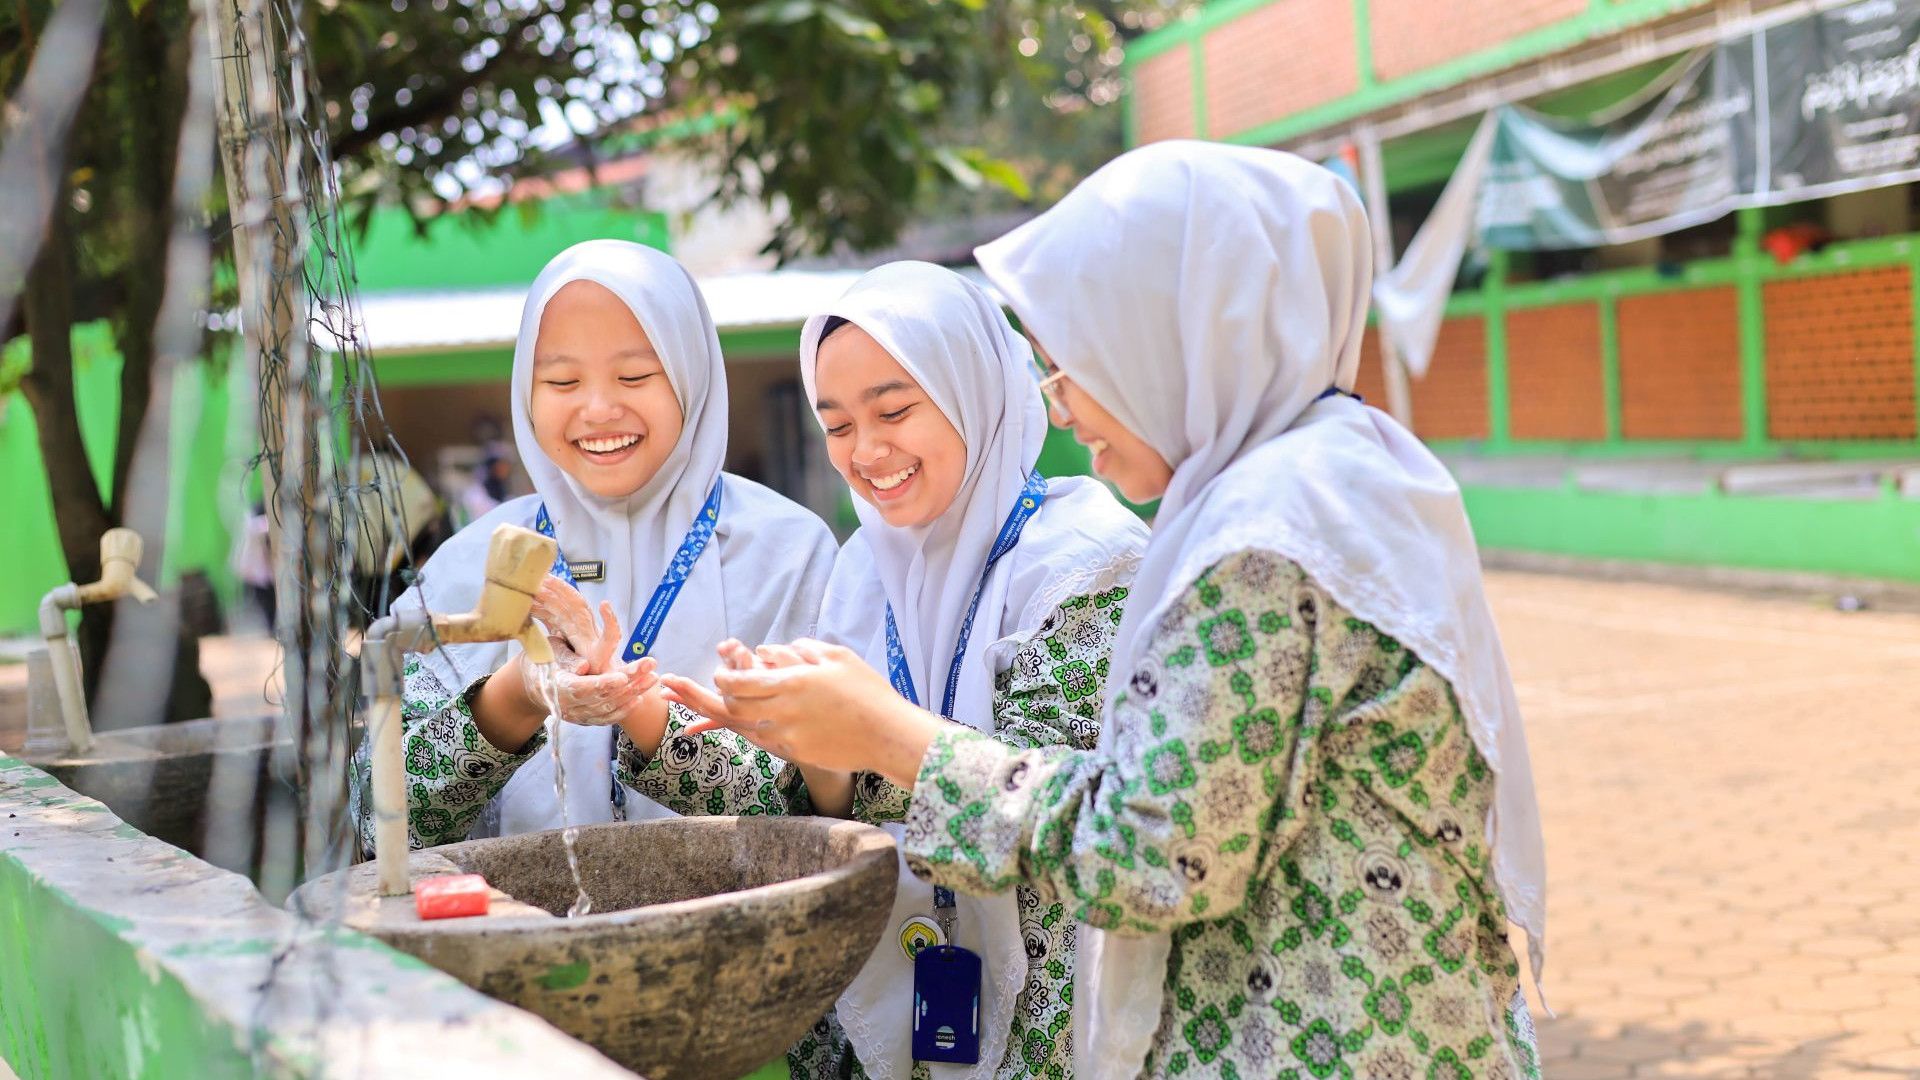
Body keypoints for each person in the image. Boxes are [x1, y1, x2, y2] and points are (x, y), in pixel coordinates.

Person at [685, 144, 1549, 1079]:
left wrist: (897, 739)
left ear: (1177, 339)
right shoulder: (1327, 479)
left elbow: (1153, 855)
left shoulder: (1260, 542)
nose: (1060, 407)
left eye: (1076, 366)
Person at [654, 261, 1149, 1078]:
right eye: (837, 424)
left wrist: (864, 736)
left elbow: (1056, 809)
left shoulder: (1083, 560)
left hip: (1045, 1023)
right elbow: (831, 803)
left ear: (973, 391)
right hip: (877, 994)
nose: (867, 451)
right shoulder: (860, 570)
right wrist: (812, 754)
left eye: (893, 410)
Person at [350, 239, 837, 852]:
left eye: (634, 375)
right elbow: (380, 822)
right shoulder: (473, 562)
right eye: (561, 380)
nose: (599, 409)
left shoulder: (785, 553)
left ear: (691, 374)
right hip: (522, 934)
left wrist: (644, 714)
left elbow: (829, 799)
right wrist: (515, 698)